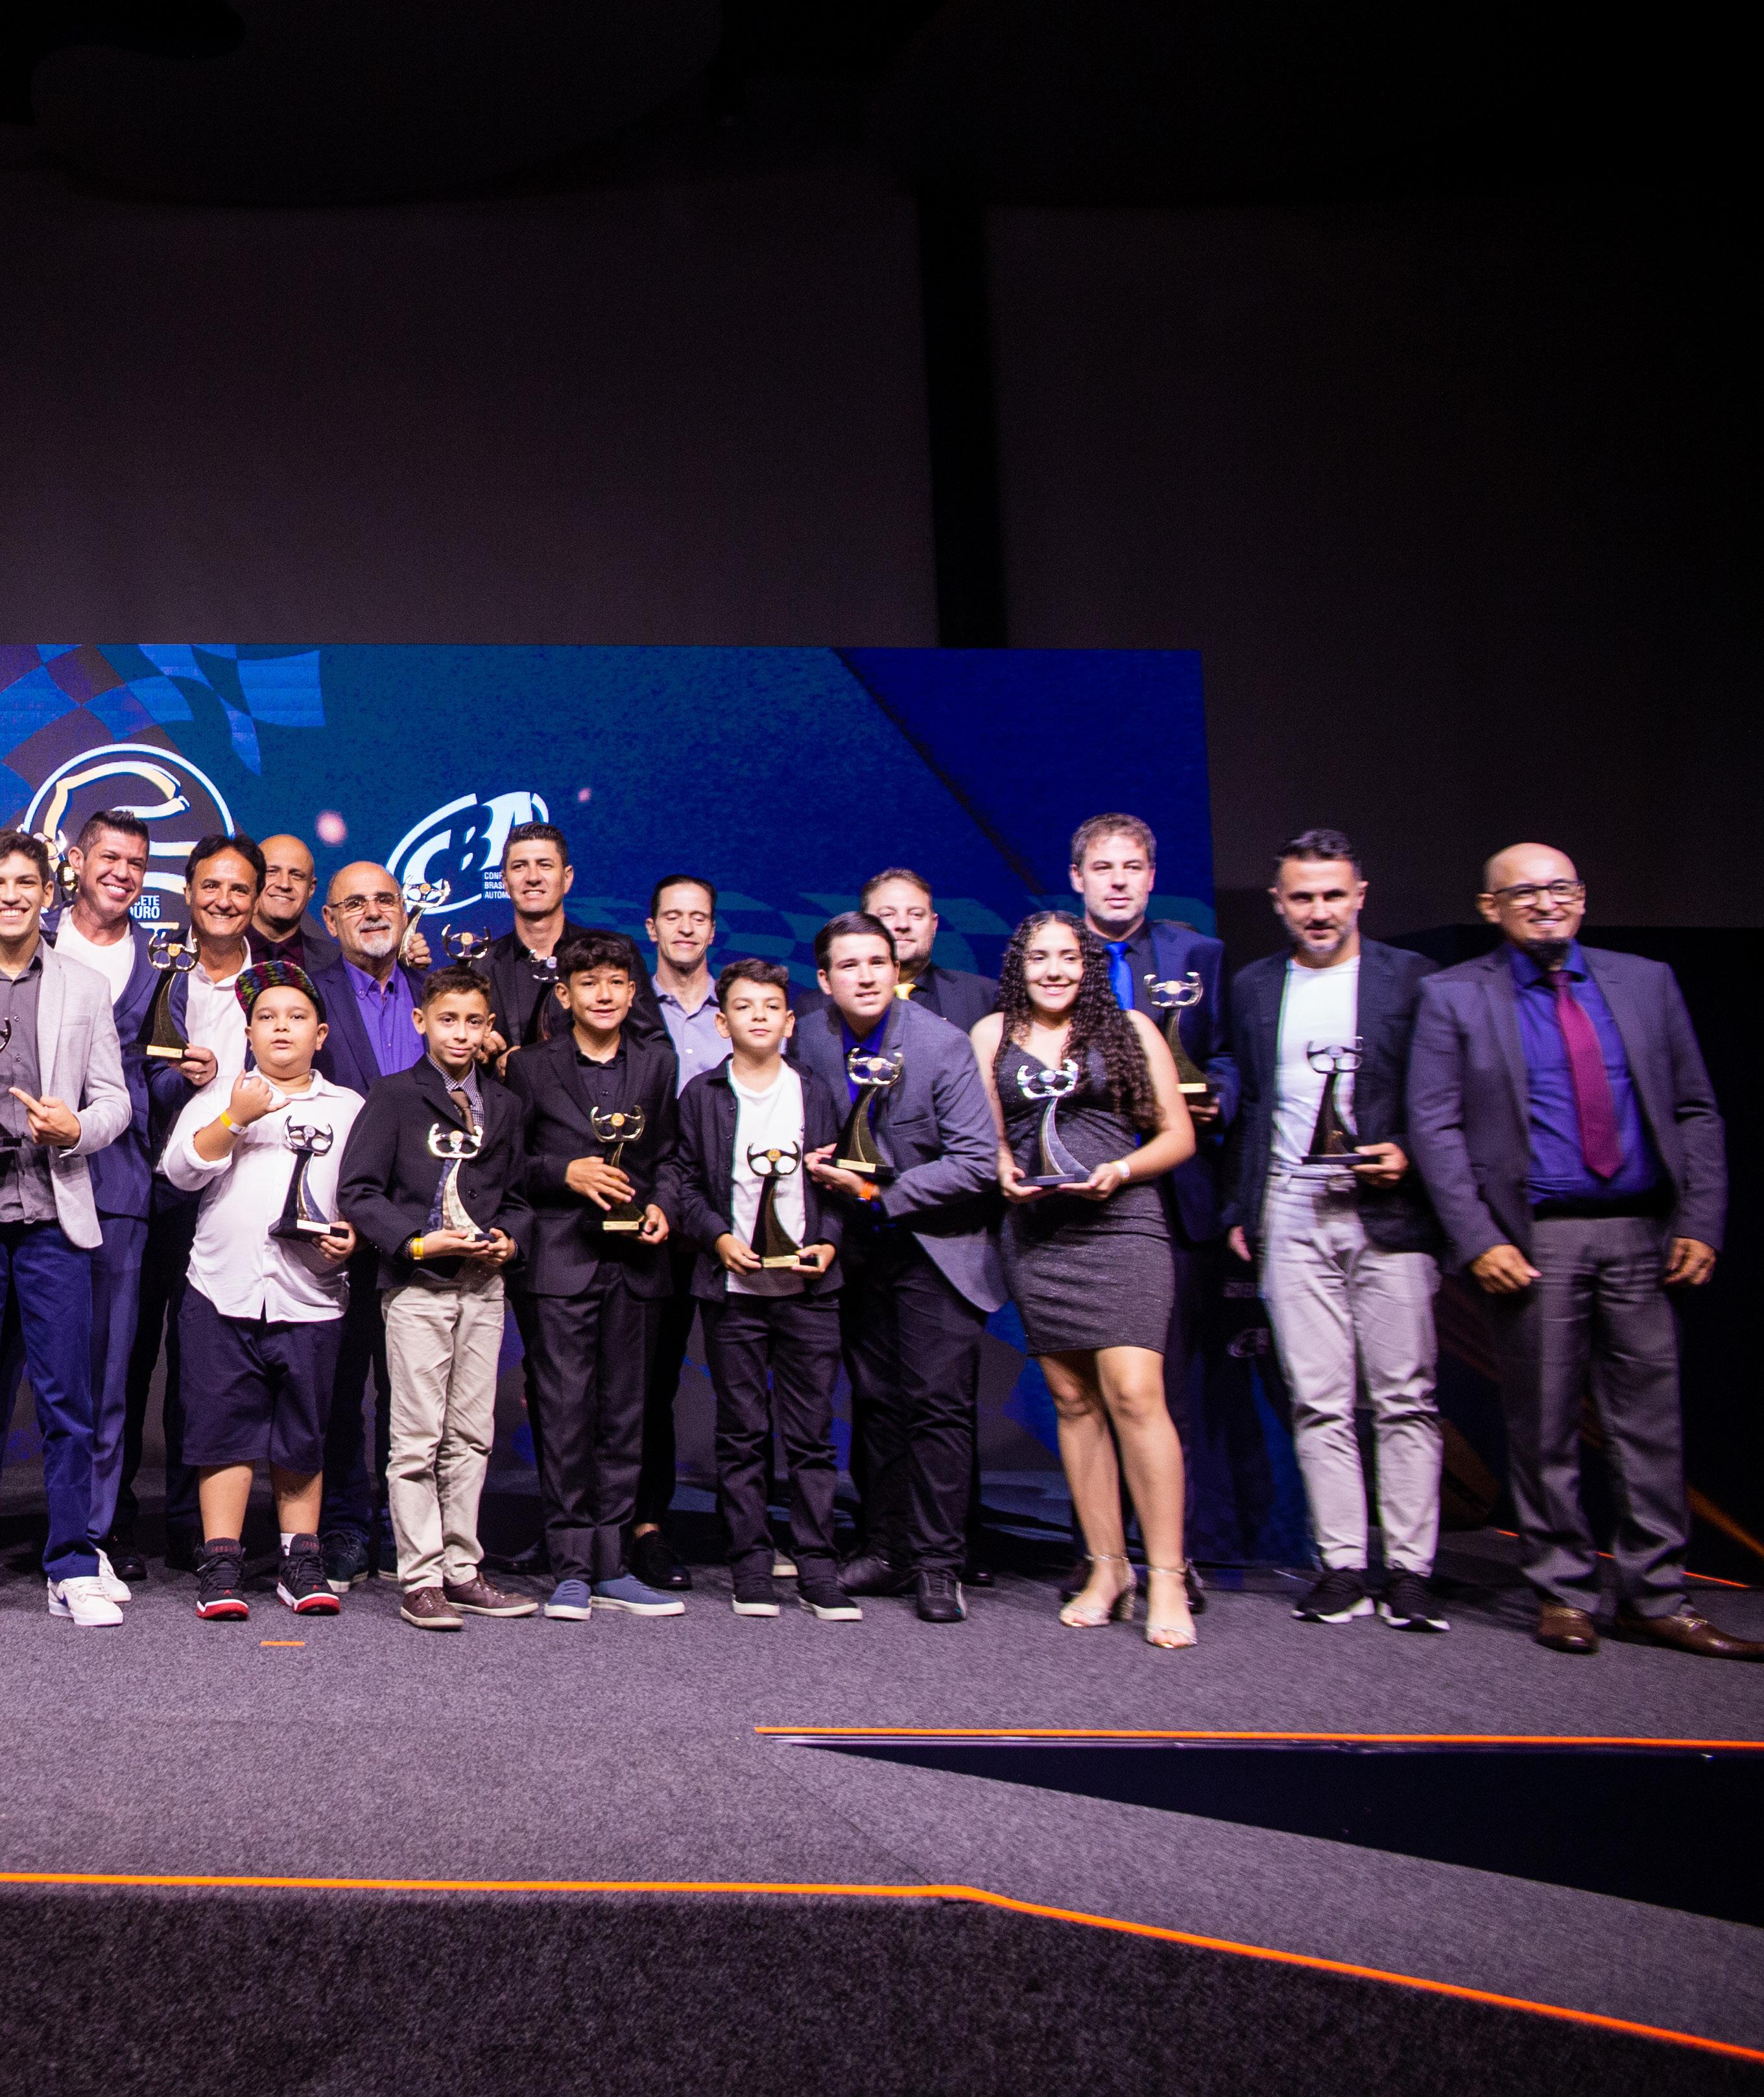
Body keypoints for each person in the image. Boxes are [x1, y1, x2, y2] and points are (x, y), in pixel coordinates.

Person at [1409, 842, 1759, 1661]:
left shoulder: (1644, 981)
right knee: (1543, 1426)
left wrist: (1700, 1220)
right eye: (1523, 891)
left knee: (1650, 1427)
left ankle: (1654, 1596)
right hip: (1533, 1241)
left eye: (1558, 887)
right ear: (1490, 907)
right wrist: (1478, 1237)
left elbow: (1695, 1109)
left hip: (1642, 1234)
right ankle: (1561, 1591)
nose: (1544, 902)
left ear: (1582, 896)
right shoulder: (1452, 995)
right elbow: (1434, 1126)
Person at [1225, 830, 1447, 1633]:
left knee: (1404, 1395)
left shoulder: (1409, 978)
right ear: (1278, 903)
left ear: (1359, 896)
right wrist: (1243, 1209)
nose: (1317, 910)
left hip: (1387, 1209)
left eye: (1331, 895)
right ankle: (1342, 1564)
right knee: (1317, 1398)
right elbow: (1254, 1106)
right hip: (1289, 1209)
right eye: (1302, 897)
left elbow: (1441, 1096)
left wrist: (1409, 1154)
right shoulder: (1254, 986)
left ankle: (1410, 1571)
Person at [973, 911, 1198, 1649]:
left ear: (1087, 964)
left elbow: (1178, 1134)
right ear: (1019, 964)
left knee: (1135, 1393)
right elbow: (990, 1138)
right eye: (1038, 956)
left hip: (1122, 1223)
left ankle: (1167, 1574)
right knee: (1072, 1401)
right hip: (1038, 1234)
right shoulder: (991, 1034)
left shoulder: (1131, 1028)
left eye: (1068, 956)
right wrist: (1004, 1172)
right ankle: (1107, 1569)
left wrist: (1120, 1170)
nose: (1054, 969)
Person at [795, 911, 1005, 1624]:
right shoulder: (809, 1036)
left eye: (877, 963)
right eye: (849, 965)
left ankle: (938, 1563)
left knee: (936, 1406)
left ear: (897, 970)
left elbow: (975, 1162)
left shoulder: (942, 1045)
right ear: (825, 978)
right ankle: (887, 1548)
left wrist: (880, 1193)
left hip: (935, 1248)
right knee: (876, 1403)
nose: (866, 976)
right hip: (856, 1252)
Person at [1065, 813, 1237, 1607]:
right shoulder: (1055, 959)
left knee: (1163, 1388)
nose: (1117, 880)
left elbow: (1227, 1054)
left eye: (1131, 866)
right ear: (1077, 877)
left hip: (1174, 1193)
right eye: (1102, 867)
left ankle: (1173, 1555)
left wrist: (1216, 1093)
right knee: (1085, 1390)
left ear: (1151, 874)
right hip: (1080, 1198)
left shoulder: (1196, 955)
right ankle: (1099, 1554)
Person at [336, 964, 535, 1630]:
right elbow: (359, 1189)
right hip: (418, 1287)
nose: (460, 1033)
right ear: (421, 1021)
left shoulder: (503, 1104)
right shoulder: (393, 1095)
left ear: (489, 1028)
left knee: (472, 1436)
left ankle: (462, 1568)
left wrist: (510, 1239)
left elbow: (517, 1195)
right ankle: (419, 1577)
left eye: (474, 1021)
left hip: (483, 1286)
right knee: (417, 1438)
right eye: (447, 1019)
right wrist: (416, 1243)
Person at [161, 961, 362, 1621]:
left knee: (302, 1431)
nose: (281, 1027)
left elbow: (365, 1193)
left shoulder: (348, 1109)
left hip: (310, 1295)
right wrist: (234, 1116)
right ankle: (222, 1558)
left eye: (296, 1017)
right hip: (222, 1289)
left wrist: (355, 1237)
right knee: (222, 1428)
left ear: (320, 1034)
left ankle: (299, 1558)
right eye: (267, 1018)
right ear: (248, 1032)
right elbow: (180, 1169)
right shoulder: (221, 1095)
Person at [506, 931, 684, 1621]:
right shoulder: (530, 1068)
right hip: (560, 1263)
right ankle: (572, 1567)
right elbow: (508, 1164)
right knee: (565, 1414)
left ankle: (613, 1563)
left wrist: (664, 1205)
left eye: (615, 982)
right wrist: (565, 1171)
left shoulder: (658, 1063)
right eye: (588, 983)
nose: (603, 994)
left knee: (625, 1416)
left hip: (636, 1264)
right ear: (564, 993)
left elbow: (670, 1157)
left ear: (633, 992)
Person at [673, 959, 857, 1621]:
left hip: (809, 1290)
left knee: (811, 1436)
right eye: (744, 1006)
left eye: (771, 1005)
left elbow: (840, 1179)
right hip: (734, 1291)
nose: (758, 1015)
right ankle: (750, 1563)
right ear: (722, 1023)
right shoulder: (701, 1095)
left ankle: (817, 1564)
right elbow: (684, 1181)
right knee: (742, 1432)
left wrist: (829, 1240)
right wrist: (717, 1237)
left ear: (789, 1020)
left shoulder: (816, 1091)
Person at [29, 811, 166, 1593]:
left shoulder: (162, 961)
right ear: (76, 860)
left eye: (137, 862)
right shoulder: (27, 935)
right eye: (109, 856)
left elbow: (155, 1072)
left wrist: (183, 1073)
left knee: (106, 1373)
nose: (122, 872)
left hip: (116, 1181)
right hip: (21, 1181)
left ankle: (91, 1532)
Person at [0, 829, 132, 1626]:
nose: (10, 894)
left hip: (52, 1215)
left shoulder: (82, 985)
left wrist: (76, 1127)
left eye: (24, 882)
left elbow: (116, 1101)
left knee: (67, 1402)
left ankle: (73, 1562)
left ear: (48, 893)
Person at [119, 831, 257, 1572]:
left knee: (205, 1367)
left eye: (238, 888)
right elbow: (121, 1073)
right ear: (188, 891)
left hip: (241, 1195)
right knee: (131, 1355)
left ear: (255, 899)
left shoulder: (277, 983)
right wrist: (179, 1078)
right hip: (158, 1190)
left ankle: (190, 1525)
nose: (223, 900)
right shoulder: (156, 973)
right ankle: (112, 1520)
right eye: (211, 885)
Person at [307, 863, 430, 1590]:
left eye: (385, 899)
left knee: (415, 1389)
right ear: (331, 920)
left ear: (405, 911)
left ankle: (408, 1530)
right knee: (342, 1386)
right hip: (342, 1217)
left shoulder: (438, 994)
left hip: (428, 1222)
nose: (373, 912)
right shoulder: (310, 994)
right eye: (355, 903)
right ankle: (348, 1525)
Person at [631, 873, 730, 1592]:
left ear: (712, 929)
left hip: (735, 1225)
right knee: (650, 1385)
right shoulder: (628, 1007)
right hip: (657, 1219)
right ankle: (647, 1526)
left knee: (746, 1386)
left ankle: (753, 1531)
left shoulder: (745, 1005)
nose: (686, 928)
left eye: (698, 917)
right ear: (652, 927)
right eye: (674, 916)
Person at [475, 822, 665, 1068]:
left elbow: (656, 1049)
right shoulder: (481, 964)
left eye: (545, 865)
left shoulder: (614, 951)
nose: (533, 877)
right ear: (504, 881)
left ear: (567, 878)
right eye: (520, 866)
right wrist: (483, 1060)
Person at [795, 869, 997, 1032]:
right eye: (888, 915)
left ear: (934, 924)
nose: (902, 925)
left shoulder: (984, 997)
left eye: (916, 915)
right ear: (864, 923)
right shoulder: (815, 1007)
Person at [249, 835, 341, 974]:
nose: (284, 884)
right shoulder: (218, 952)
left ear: (311, 889)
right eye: (272, 872)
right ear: (252, 879)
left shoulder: (338, 963)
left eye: (297, 875)